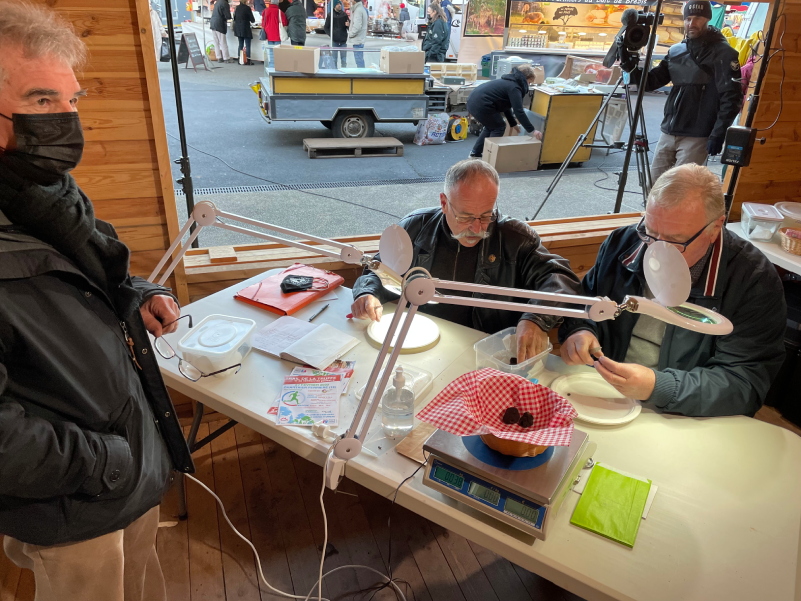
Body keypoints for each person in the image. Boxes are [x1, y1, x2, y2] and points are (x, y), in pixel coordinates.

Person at [0, 3, 195, 600]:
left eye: (73, 101)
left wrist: (137, 294)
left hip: (124, 473)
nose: (65, 121)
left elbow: (81, 281)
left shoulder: (45, 194)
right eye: (40, 101)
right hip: (75, 502)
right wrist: (105, 461)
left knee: (142, 584)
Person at [559, 164, 787, 417]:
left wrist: (659, 387)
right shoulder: (623, 243)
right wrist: (580, 330)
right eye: (650, 232)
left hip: (683, 412)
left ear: (715, 228)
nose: (655, 250)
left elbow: (745, 382)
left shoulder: (752, 279)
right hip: (605, 392)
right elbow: (585, 302)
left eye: (675, 242)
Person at [352, 160, 582, 362]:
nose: (476, 228)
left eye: (486, 216)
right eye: (464, 217)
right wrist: (368, 293)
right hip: (419, 344)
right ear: (444, 203)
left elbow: (560, 277)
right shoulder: (415, 228)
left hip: (485, 353)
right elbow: (379, 269)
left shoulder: (516, 239)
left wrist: (537, 319)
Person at [637, 0, 742, 183]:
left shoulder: (724, 53)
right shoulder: (678, 50)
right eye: (688, 19)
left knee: (683, 189)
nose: (691, 23)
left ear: (708, 19)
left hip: (698, 135)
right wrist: (631, 67)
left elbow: (731, 99)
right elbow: (652, 81)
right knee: (654, 186)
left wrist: (718, 134)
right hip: (669, 130)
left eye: (698, 18)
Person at [466, 64, 542, 158]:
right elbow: (519, 111)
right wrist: (532, 130)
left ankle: (475, 153)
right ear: (525, 78)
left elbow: (505, 106)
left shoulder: (508, 82)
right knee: (499, 127)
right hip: (482, 104)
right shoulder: (515, 88)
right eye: (529, 82)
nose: (529, 85)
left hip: (473, 101)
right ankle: (489, 156)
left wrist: (513, 124)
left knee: (491, 126)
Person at [324, 0, 349, 68]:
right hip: (334, 41)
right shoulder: (330, 15)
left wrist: (348, 25)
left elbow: (348, 27)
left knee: (343, 60)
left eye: (340, 4)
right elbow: (326, 27)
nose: (339, 5)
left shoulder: (344, 15)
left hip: (343, 40)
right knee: (334, 59)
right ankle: (335, 74)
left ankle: (344, 73)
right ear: (334, 6)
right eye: (338, 4)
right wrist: (331, 35)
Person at [263, 0, 287, 68]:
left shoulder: (265, 11)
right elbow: (284, 23)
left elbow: (263, 23)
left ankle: (271, 65)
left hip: (268, 34)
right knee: (277, 51)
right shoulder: (280, 12)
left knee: (270, 51)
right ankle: (277, 65)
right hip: (277, 34)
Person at [348, 0, 368, 68]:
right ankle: (362, 76)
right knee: (360, 61)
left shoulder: (358, 10)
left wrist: (350, 34)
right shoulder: (361, 9)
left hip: (358, 40)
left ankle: (362, 77)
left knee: (359, 61)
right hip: (359, 39)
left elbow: (357, 26)